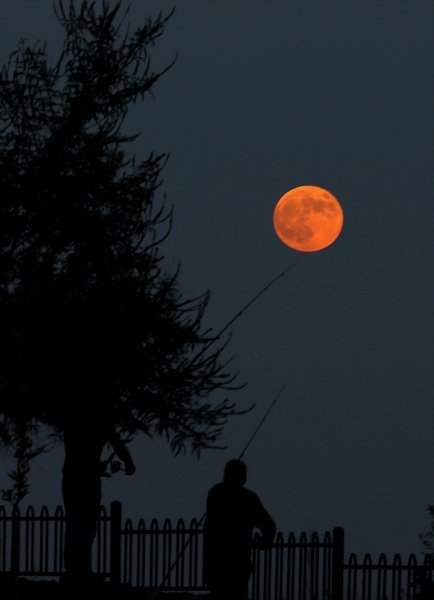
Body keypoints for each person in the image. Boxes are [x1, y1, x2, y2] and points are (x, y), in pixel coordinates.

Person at [61, 418, 135, 583]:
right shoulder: (100, 421)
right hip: (87, 479)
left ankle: (73, 568)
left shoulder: (72, 422)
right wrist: (128, 462)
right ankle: (80, 568)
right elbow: (116, 443)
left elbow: (80, 455)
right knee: (86, 523)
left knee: (74, 522)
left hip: (71, 476)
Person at [203, 459, 276, 600]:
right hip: (239, 561)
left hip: (215, 561)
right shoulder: (249, 498)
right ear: (243, 478)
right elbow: (268, 525)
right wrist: (266, 541)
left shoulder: (215, 493)